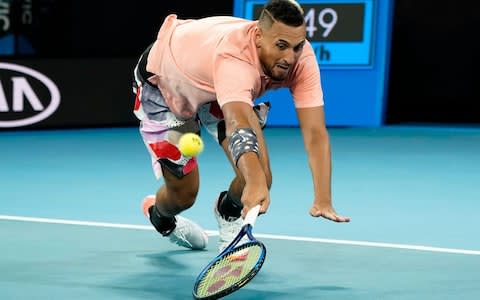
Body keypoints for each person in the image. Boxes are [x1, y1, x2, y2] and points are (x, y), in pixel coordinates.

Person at [132, 0, 350, 252]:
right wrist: (254, 180)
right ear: (258, 37)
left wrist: (323, 198)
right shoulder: (234, 57)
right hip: (165, 85)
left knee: (260, 177)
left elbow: (315, 132)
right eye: (281, 46)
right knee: (184, 195)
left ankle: (228, 213)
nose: (290, 57)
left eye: (297, 46)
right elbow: (238, 121)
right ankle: (160, 217)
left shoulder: (303, 59)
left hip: (215, 84)